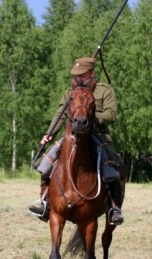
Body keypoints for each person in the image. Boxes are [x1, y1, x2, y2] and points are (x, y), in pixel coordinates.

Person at [29, 57, 125, 225]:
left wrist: (88, 117)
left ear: (92, 73)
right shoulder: (69, 92)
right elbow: (60, 115)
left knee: (112, 164)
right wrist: (49, 134)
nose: (77, 78)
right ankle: (44, 202)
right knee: (48, 162)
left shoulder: (104, 90)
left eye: (82, 74)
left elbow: (111, 115)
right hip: (72, 135)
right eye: (76, 74)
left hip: (97, 135)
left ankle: (114, 207)